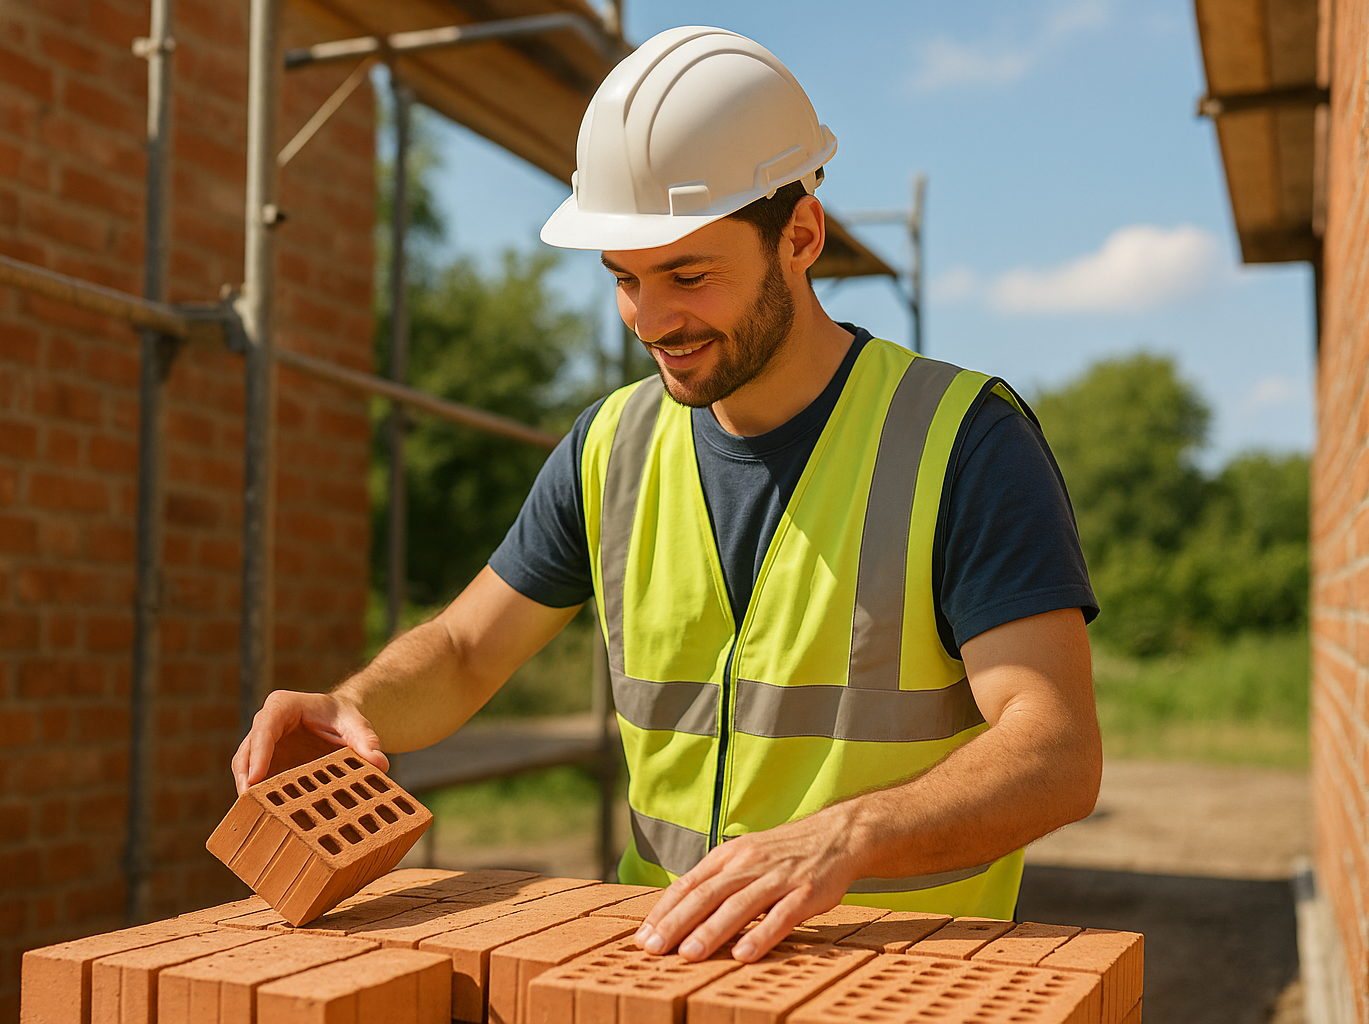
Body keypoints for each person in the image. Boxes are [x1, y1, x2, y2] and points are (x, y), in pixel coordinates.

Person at [231, 26, 1101, 965]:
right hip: (658, 966)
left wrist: (841, 840)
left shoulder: (963, 440)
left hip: (894, 975)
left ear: (800, 237)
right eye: (625, 281)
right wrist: (353, 705)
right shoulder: (611, 445)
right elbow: (466, 652)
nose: (652, 321)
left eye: (689, 275)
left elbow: (1054, 751)